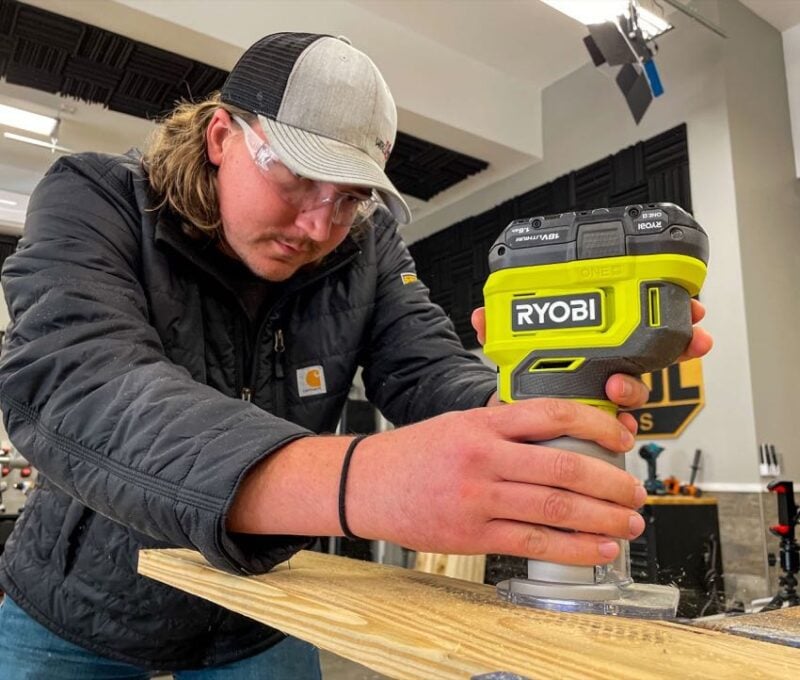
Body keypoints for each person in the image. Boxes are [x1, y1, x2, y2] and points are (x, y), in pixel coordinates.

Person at [0, 32, 711, 678]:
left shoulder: (366, 247)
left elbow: (425, 367)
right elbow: (81, 382)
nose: (318, 225)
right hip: (77, 613)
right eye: (296, 177)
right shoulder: (97, 198)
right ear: (222, 136)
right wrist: (359, 482)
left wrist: (527, 410)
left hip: (258, 609)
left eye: (349, 197)